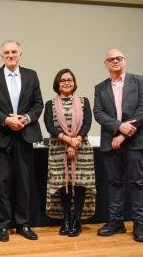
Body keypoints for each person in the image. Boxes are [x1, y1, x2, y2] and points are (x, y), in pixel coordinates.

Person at [0, 40, 43, 242]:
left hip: (25, 136)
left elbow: (38, 104)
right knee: (3, 183)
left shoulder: (31, 75)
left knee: (24, 183)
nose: (10, 55)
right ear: (1, 56)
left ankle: (23, 224)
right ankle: (3, 226)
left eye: (14, 52)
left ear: (20, 54)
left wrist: (25, 119)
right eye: (6, 52)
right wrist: (6, 120)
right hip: (2, 135)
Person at [93, 49, 143, 242]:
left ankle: (139, 223)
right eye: (111, 59)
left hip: (135, 141)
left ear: (124, 61)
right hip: (110, 143)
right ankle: (116, 222)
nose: (115, 61)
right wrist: (119, 127)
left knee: (138, 184)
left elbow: (142, 109)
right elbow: (98, 113)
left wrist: (123, 134)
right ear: (105, 63)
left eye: (119, 58)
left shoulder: (139, 81)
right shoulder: (100, 87)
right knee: (114, 183)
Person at [44, 69, 96, 237]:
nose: (67, 83)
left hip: (82, 148)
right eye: (63, 80)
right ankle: (66, 219)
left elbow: (87, 123)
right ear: (57, 84)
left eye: (70, 80)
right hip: (59, 148)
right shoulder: (50, 104)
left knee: (80, 185)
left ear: (74, 82)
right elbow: (49, 127)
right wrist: (68, 140)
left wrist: (76, 141)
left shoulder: (83, 101)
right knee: (64, 185)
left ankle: (77, 220)